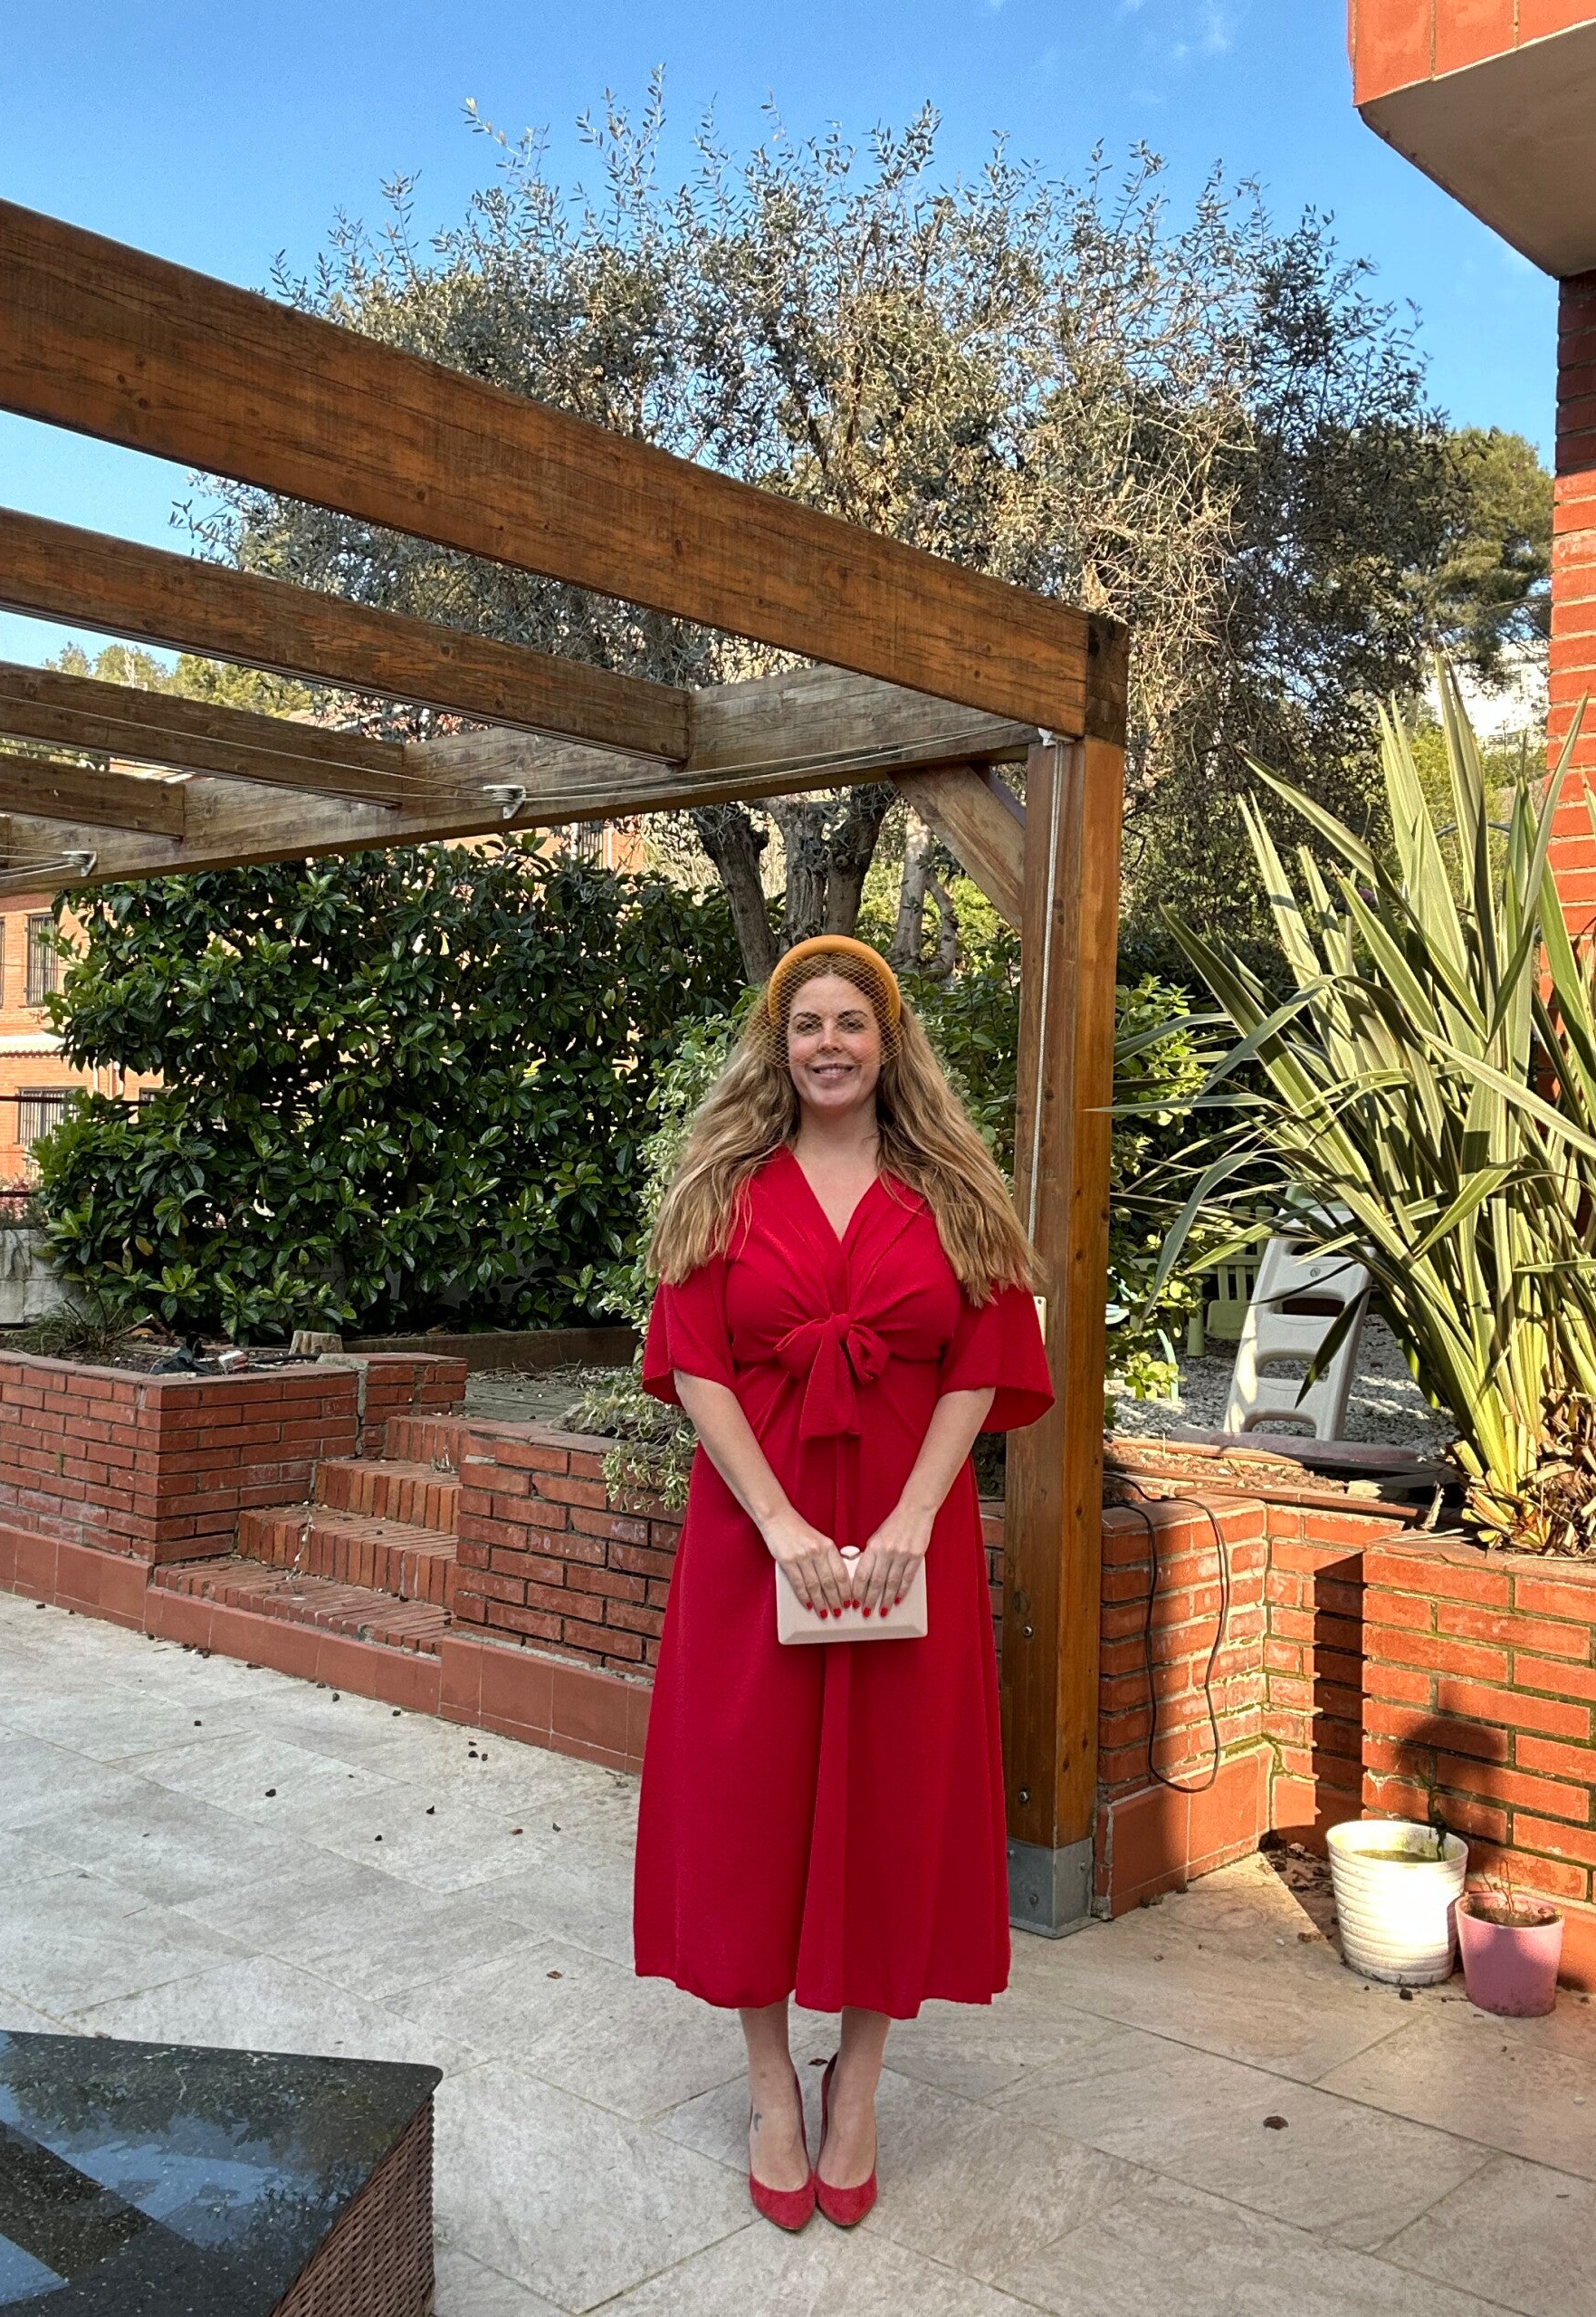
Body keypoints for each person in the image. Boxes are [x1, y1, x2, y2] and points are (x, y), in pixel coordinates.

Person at [633, 933, 1053, 2231]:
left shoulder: (953, 1192)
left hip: (904, 1549)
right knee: (747, 1803)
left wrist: (917, 1518)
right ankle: (771, 2086)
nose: (829, 1043)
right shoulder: (721, 1187)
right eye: (807, 1022)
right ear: (780, 1046)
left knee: (893, 1805)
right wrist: (778, 1524)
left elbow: (984, 1359)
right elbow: (695, 1361)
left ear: (888, 1043)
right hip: (752, 1542)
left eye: (851, 1022)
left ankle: (855, 2086)